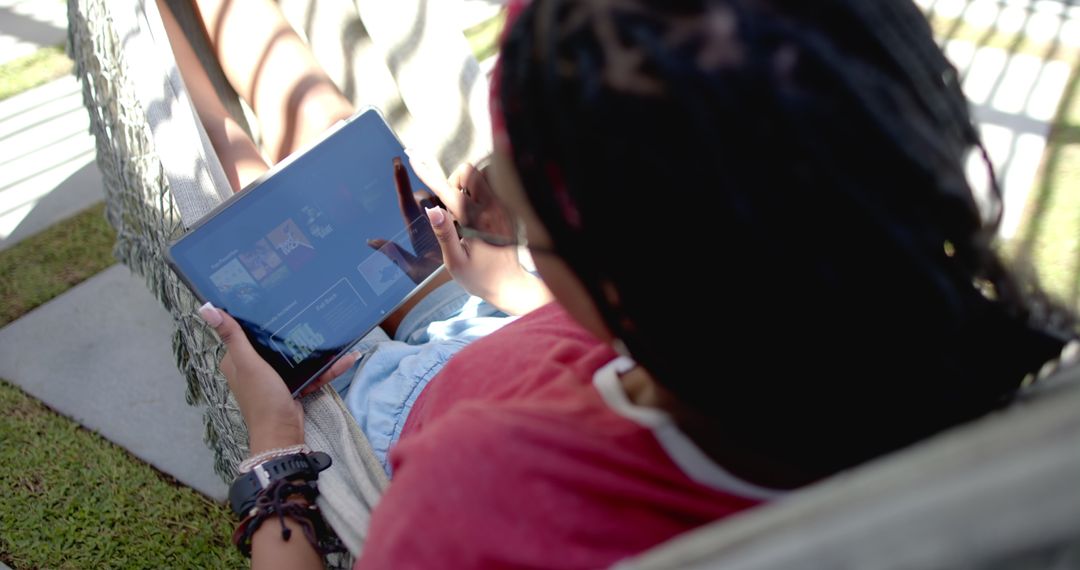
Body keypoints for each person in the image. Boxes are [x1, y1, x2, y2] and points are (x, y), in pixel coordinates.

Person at [165, 0, 1077, 567]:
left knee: (246, 168)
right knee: (328, 128)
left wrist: (274, 459)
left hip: (373, 410)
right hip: (488, 316)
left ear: (614, 275)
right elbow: (658, 334)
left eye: (527, 197)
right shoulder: (904, 341)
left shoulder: (471, 513)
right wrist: (510, 277)